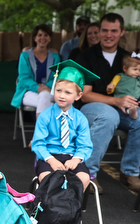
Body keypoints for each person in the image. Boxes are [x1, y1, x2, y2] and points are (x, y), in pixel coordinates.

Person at [75, 13, 140, 193]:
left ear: (122, 32)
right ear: (99, 31)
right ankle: (88, 174)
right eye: (105, 30)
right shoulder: (86, 57)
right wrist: (116, 100)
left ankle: (130, 173)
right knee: (108, 115)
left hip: (123, 109)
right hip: (91, 107)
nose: (108, 35)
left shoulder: (128, 58)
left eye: (114, 31)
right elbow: (85, 95)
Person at [31, 60, 98, 190]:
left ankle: (71, 208)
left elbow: (85, 145)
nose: (62, 95)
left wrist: (76, 160)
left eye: (68, 93)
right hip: (49, 157)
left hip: (72, 157)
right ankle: (50, 208)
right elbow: (38, 143)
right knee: (47, 177)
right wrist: (51, 160)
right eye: (58, 90)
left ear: (78, 96)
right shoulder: (45, 116)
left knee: (84, 178)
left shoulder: (80, 119)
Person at [11, 24, 60, 118]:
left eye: (46, 35)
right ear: (34, 38)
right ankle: (50, 131)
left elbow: (56, 77)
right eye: (40, 35)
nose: (43, 38)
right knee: (48, 102)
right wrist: (38, 88)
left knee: (45, 96)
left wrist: (46, 87)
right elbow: (24, 78)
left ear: (50, 38)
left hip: (49, 91)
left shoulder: (55, 57)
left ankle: (40, 131)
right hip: (28, 92)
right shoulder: (25, 56)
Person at [106, 54, 140, 119]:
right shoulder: (119, 77)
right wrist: (110, 88)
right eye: (135, 69)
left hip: (137, 98)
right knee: (127, 104)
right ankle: (131, 112)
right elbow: (112, 85)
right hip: (124, 98)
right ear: (125, 69)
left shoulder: (138, 79)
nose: (138, 72)